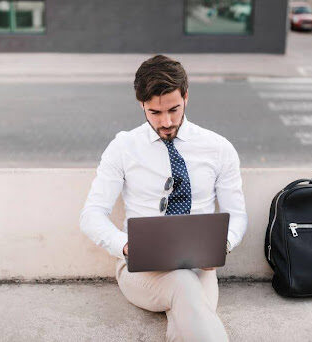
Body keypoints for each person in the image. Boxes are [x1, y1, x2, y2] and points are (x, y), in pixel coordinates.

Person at [79, 54, 248, 341]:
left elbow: (238, 213)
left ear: (186, 97)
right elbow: (91, 215)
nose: (166, 121)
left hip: (201, 267)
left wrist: (223, 245)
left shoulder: (218, 148)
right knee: (187, 292)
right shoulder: (124, 147)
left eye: (174, 109)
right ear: (141, 104)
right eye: (155, 113)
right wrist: (128, 246)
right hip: (139, 269)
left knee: (189, 312)